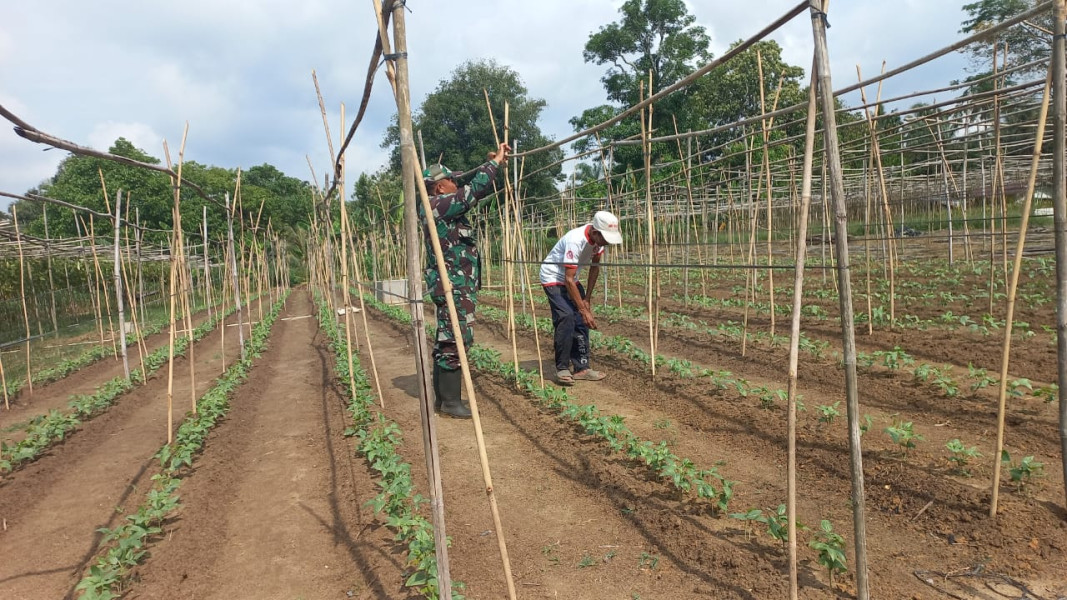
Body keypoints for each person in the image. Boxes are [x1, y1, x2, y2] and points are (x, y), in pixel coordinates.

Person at [419, 142, 510, 418]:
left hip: (456, 284)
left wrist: (491, 164)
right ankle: (450, 402)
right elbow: (472, 193)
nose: (457, 184)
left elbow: (470, 194)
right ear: (439, 187)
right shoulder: (436, 205)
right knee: (455, 338)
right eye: (452, 180)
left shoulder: (440, 206)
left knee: (448, 335)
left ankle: (443, 399)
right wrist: (494, 163)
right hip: (453, 286)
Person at [539, 210, 623, 385]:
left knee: (580, 321)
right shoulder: (575, 240)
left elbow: (594, 268)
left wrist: (587, 300)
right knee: (566, 316)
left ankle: (581, 368)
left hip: (572, 278)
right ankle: (562, 368)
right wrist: (583, 310)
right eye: (605, 238)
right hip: (553, 276)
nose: (607, 243)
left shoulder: (599, 242)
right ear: (595, 232)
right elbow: (567, 279)